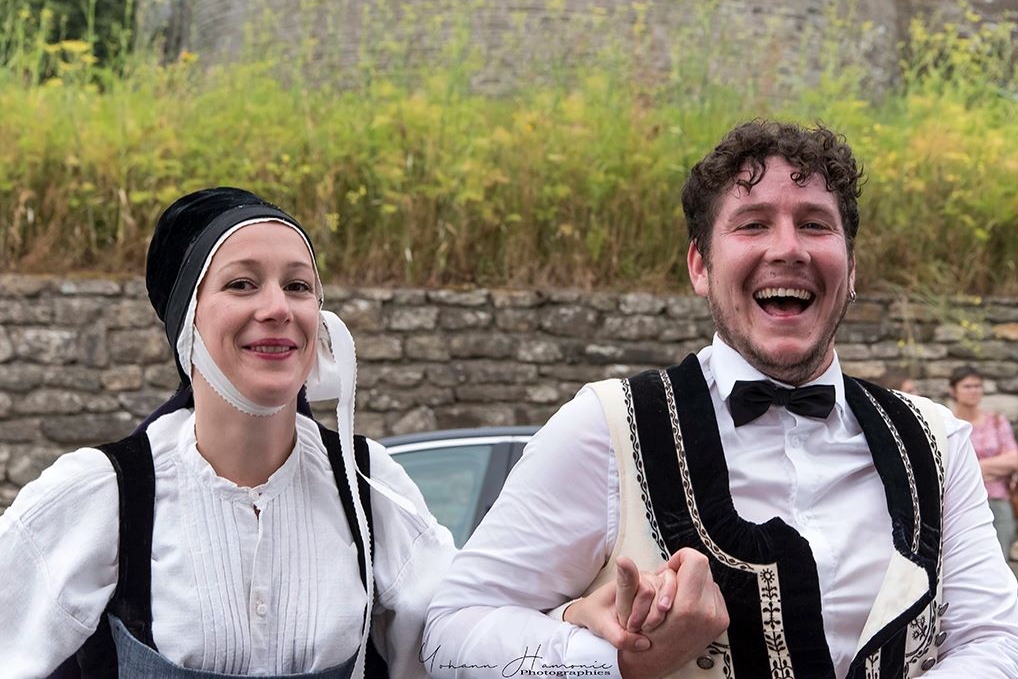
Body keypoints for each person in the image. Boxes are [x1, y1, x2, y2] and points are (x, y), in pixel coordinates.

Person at [423, 120, 1018, 678]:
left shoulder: (935, 441)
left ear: (852, 267)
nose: (788, 248)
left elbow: (995, 637)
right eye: (753, 224)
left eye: (815, 224)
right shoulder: (606, 427)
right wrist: (615, 661)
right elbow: (449, 632)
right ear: (700, 266)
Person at [0, 188, 455, 677]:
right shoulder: (103, 492)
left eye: (298, 286)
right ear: (188, 321)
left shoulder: (367, 485)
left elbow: (456, 647)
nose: (278, 307)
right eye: (242, 284)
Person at [948, 365, 1018, 560]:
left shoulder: (995, 420)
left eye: (978, 386)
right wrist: (995, 468)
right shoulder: (949, 423)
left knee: (1000, 561)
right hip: (961, 503)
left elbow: (1014, 459)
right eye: (967, 386)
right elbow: (948, 465)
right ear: (953, 390)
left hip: (997, 500)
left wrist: (975, 468)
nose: (974, 391)